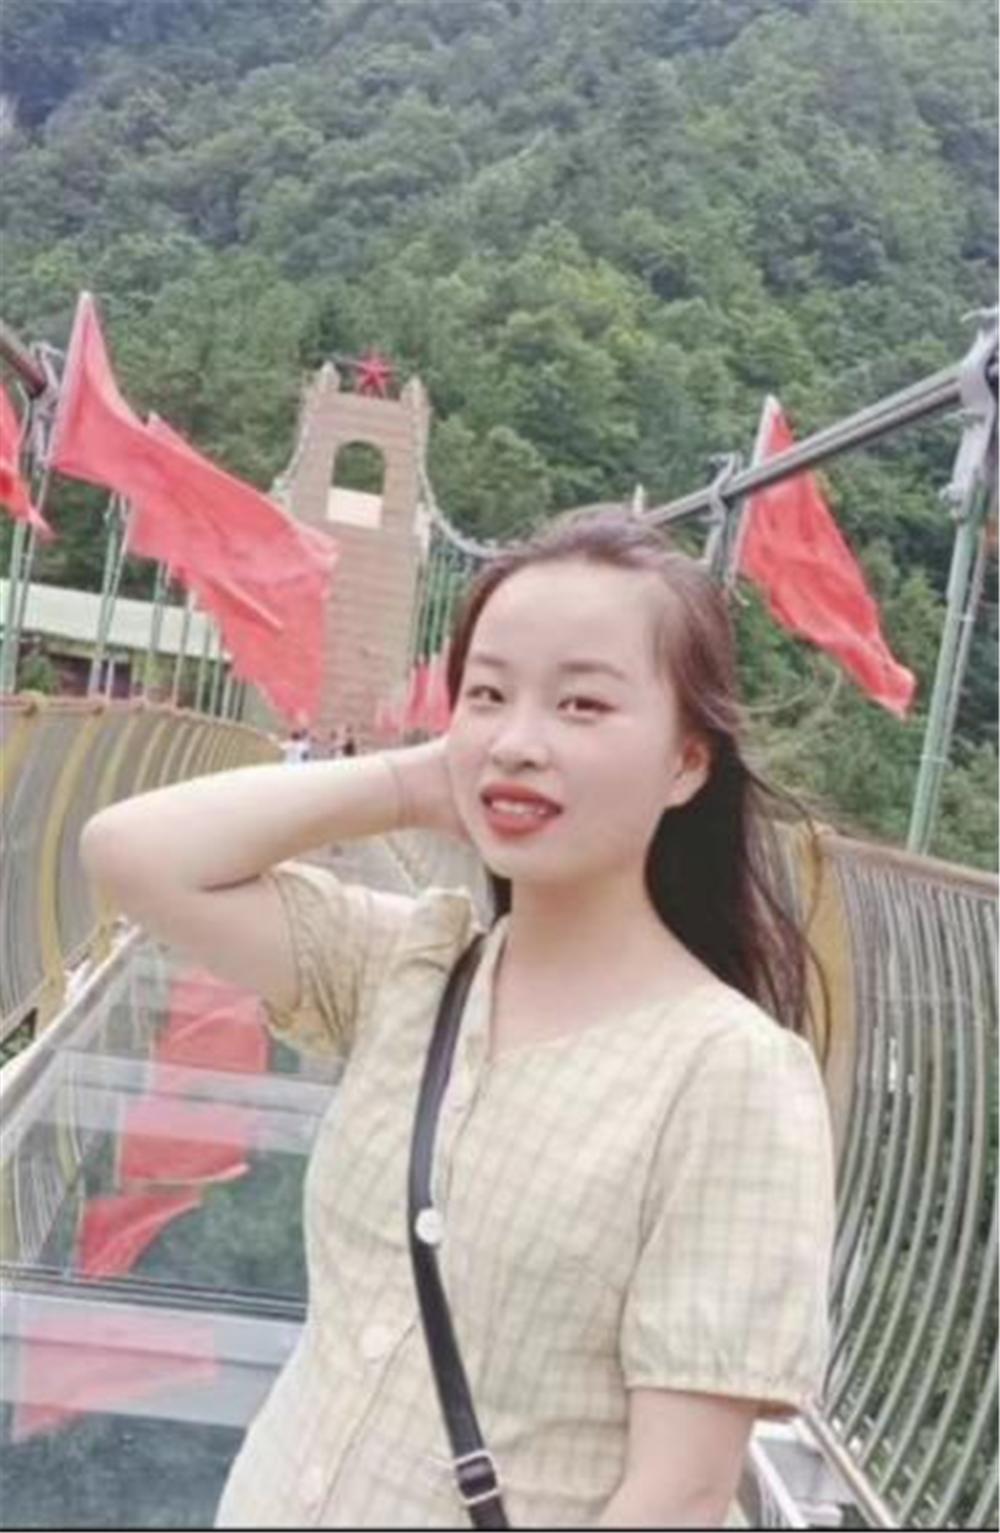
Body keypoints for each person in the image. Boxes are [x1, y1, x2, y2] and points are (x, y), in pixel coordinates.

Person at [80, 507, 836, 1529]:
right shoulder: (412, 966)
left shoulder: (730, 1074)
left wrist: (485, 750)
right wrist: (414, 779)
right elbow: (131, 854)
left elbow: (681, 1492)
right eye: (487, 694)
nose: (518, 742)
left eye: (581, 704)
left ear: (687, 763)